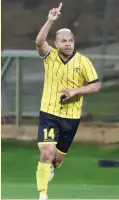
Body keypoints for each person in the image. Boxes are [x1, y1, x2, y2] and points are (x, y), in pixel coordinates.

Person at [35, 2, 101, 200]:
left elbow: (96, 85)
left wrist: (76, 91)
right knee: (46, 153)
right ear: (56, 43)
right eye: (63, 40)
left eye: (70, 40)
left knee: (56, 160)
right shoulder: (50, 56)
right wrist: (50, 21)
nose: (68, 44)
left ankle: (52, 168)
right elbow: (39, 42)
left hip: (71, 118)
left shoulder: (83, 62)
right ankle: (43, 194)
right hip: (48, 113)